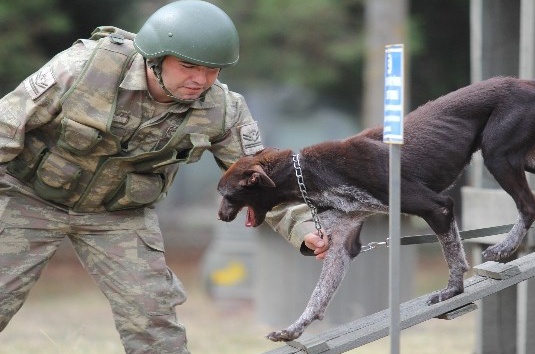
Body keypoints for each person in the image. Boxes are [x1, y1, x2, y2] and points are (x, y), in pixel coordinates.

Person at [0, 0, 328, 352]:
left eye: (213, 70)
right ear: (155, 59)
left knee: (153, 320)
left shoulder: (222, 110)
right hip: (29, 197)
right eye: (188, 66)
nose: (201, 80)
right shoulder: (83, 68)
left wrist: (306, 229)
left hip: (118, 216)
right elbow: (7, 127)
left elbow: (259, 182)